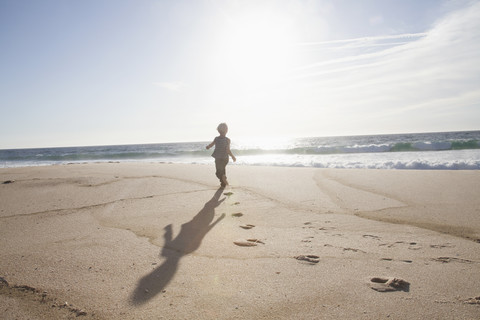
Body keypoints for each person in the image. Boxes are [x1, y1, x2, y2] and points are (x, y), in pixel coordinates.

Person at [206, 123, 236, 188]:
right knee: (223, 170)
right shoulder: (227, 140)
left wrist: (208, 147)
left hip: (218, 158)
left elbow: (211, 144)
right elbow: (228, 150)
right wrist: (232, 156)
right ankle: (223, 184)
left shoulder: (216, 139)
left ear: (218, 130)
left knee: (218, 173)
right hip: (225, 158)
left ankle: (223, 178)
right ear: (227, 130)